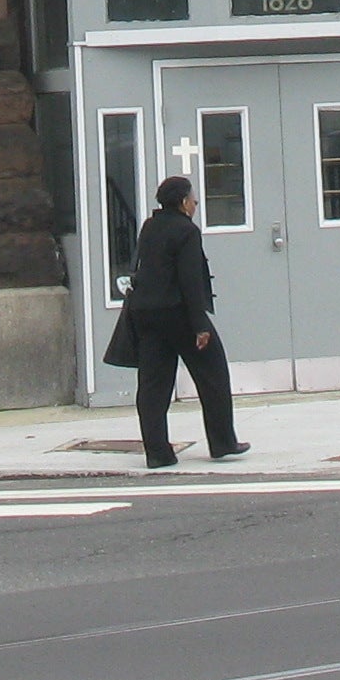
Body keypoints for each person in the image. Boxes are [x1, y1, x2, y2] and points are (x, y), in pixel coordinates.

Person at [110, 172, 247, 468]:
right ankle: (223, 442)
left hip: (146, 314)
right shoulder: (186, 231)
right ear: (184, 202)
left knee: (153, 385)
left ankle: (158, 452)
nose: (196, 202)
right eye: (192, 197)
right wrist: (199, 325)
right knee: (213, 374)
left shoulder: (149, 226)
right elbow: (190, 280)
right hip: (179, 313)